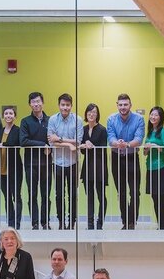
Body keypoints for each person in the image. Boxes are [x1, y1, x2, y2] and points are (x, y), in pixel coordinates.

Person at [106, 93, 145, 229]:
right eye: (120, 105)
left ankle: (132, 222)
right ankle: (125, 221)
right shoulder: (111, 119)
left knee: (135, 191)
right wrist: (118, 143)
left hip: (132, 157)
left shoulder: (139, 119)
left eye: (125, 104)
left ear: (130, 105)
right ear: (117, 105)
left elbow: (139, 139)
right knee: (121, 192)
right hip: (116, 157)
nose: (123, 107)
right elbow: (110, 138)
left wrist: (127, 144)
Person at [19, 91, 52, 230]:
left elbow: (53, 139)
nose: (36, 104)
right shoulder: (25, 121)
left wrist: (49, 145)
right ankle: (35, 223)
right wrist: (43, 145)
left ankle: (45, 222)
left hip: (47, 163)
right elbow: (23, 141)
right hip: (30, 163)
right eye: (33, 102)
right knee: (32, 194)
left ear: (42, 103)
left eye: (38, 101)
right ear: (30, 104)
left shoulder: (50, 120)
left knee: (46, 195)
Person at [48, 93, 80, 230]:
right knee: (59, 194)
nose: (65, 107)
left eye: (67, 105)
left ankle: (71, 223)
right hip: (57, 162)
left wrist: (59, 139)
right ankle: (61, 222)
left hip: (73, 162)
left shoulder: (77, 120)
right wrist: (68, 143)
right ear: (59, 105)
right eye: (63, 105)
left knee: (73, 194)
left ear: (71, 106)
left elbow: (78, 141)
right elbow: (51, 142)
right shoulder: (53, 119)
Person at [79, 103, 108, 230]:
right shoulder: (84, 129)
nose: (91, 114)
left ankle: (100, 222)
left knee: (101, 196)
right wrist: (84, 146)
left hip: (99, 165)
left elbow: (102, 148)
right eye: (89, 112)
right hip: (88, 166)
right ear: (86, 114)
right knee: (89, 196)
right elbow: (82, 150)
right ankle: (90, 224)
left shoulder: (102, 129)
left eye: (94, 112)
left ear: (97, 115)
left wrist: (92, 146)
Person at [0, 106, 23, 229]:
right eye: (6, 113)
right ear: (3, 116)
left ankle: (17, 222)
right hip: (2, 169)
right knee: (7, 197)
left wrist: (2, 144)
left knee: (16, 196)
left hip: (14, 168)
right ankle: (10, 222)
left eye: (11, 113)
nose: (8, 115)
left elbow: (16, 142)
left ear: (15, 116)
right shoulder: (0, 131)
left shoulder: (18, 130)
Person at [143, 106, 164, 230]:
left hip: (160, 166)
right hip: (150, 167)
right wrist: (147, 148)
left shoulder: (162, 131)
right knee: (154, 196)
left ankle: (163, 225)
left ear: (160, 118)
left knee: (160, 196)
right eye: (152, 115)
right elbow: (145, 153)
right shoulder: (149, 131)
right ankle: (160, 224)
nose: (153, 117)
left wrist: (154, 145)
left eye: (156, 115)